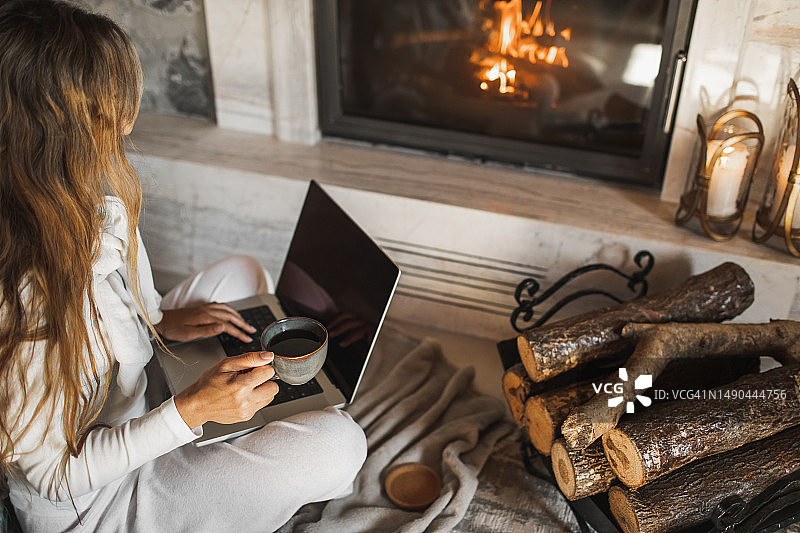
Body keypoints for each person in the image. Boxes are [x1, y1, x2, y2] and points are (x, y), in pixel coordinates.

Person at [0, 1, 367, 531]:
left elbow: (118, 307)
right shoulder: (22, 299)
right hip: (98, 499)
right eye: (112, 105)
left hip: (134, 392)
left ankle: (233, 425)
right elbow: (55, 476)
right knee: (338, 444)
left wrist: (160, 323)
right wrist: (191, 412)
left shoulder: (90, 201)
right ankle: (229, 442)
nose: (129, 120)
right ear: (61, 127)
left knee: (242, 276)